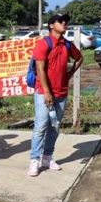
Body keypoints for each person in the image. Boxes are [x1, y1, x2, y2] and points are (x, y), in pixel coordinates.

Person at [28, 14, 83, 177]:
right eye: (61, 21)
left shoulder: (67, 44)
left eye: (66, 21)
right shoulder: (43, 44)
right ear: (51, 25)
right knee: (41, 127)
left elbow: (79, 58)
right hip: (44, 92)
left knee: (55, 126)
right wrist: (46, 92)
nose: (65, 23)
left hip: (62, 92)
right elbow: (40, 69)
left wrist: (70, 73)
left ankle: (47, 157)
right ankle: (34, 160)